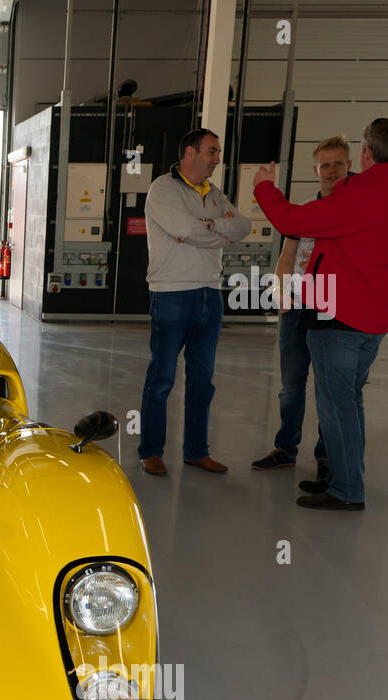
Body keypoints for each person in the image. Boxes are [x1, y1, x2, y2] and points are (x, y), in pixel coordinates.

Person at [253, 118, 388, 510]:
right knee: (351, 401)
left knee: (336, 407)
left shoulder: (360, 196)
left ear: (364, 154)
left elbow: (290, 221)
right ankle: (339, 476)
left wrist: (263, 186)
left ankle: (347, 490)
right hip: (376, 320)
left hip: (340, 319)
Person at [138, 128, 251, 476]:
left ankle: (196, 451)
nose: (218, 159)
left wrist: (211, 223)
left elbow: (243, 227)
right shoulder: (162, 190)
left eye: (217, 152)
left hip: (209, 294)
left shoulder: (214, 194)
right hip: (171, 293)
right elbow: (184, 230)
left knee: (203, 380)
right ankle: (151, 451)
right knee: (162, 378)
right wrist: (218, 232)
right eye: (212, 151)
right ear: (189, 153)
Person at [251, 135, 352, 475]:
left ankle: (326, 455)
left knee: (327, 387)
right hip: (296, 305)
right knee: (291, 387)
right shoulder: (305, 211)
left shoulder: (355, 209)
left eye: (338, 163)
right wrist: (281, 296)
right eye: (326, 164)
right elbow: (288, 254)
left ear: (349, 165)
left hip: (332, 306)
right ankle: (285, 448)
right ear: (316, 169)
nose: (332, 170)